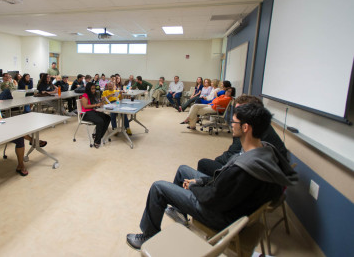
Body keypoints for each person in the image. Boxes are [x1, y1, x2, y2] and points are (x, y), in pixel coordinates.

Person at [126, 103, 298, 250]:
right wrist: (201, 180)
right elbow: (223, 182)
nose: (231, 124)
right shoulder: (266, 150)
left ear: (246, 128)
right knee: (183, 170)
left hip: (219, 215)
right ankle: (180, 212)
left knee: (158, 187)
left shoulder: (243, 169)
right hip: (228, 200)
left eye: (234, 121)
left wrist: (195, 186)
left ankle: (147, 236)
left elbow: (213, 198)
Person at [197, 95, 290, 176]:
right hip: (268, 174)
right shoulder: (261, 124)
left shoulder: (247, 129)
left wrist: (216, 162)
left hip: (257, 177)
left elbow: (231, 156)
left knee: (204, 164)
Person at [80, 82, 111, 149]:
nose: (94, 90)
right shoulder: (84, 95)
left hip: (93, 112)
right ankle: (97, 141)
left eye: (94, 88)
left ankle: (97, 136)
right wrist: (96, 105)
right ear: (88, 89)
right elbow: (85, 106)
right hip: (85, 114)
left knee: (108, 118)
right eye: (92, 89)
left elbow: (96, 103)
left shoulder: (93, 95)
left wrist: (101, 102)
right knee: (100, 121)